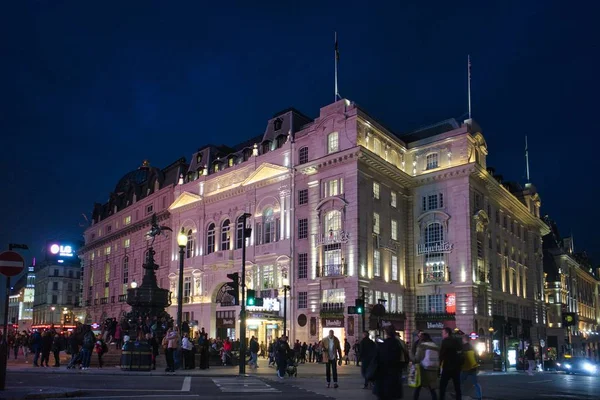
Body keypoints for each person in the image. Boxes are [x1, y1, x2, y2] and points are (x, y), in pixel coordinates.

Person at [372, 326, 404, 400]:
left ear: (386, 333)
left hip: (383, 375)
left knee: (383, 395)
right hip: (394, 374)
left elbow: (376, 359)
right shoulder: (398, 344)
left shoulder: (383, 345)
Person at [413, 333, 440, 400]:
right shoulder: (436, 346)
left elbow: (418, 358)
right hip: (434, 369)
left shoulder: (422, 346)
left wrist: (412, 357)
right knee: (431, 388)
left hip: (423, 369)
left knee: (418, 386)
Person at [439, 327, 462, 400]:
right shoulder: (456, 341)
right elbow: (460, 353)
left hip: (447, 366)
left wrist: (439, 366)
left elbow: (441, 355)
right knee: (457, 387)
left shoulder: (445, 342)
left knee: (442, 386)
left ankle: (441, 398)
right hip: (456, 367)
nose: (442, 335)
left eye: (443, 333)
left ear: (447, 333)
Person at [461, 335, 482, 400]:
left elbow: (461, 358)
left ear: (464, 339)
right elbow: (477, 357)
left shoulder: (462, 348)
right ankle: (479, 397)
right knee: (475, 383)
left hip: (466, 368)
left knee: (459, 382)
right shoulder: (473, 348)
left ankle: (459, 395)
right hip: (473, 367)